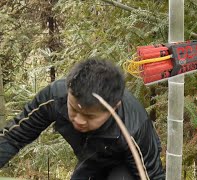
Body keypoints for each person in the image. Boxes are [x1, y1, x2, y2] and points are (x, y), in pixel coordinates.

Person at [0, 57, 165, 180]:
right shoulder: (54, 98)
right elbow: (14, 136)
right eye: (73, 108)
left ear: (114, 107)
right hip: (92, 158)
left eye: (89, 116)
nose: (78, 120)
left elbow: (151, 176)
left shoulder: (134, 129)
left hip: (125, 166)